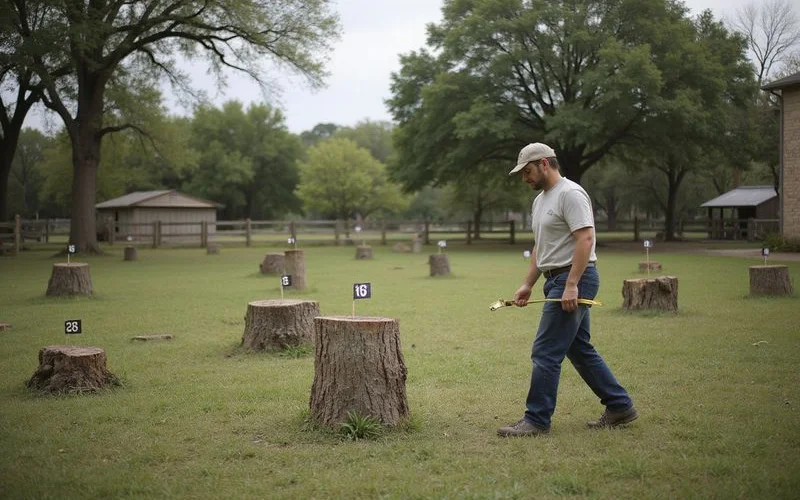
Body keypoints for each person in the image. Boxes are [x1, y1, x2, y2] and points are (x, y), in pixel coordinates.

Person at [497, 143, 638, 437]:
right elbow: (541, 246)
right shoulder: (540, 201)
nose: (525, 178)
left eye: (527, 171)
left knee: (545, 351)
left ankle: (536, 420)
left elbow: (585, 238)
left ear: (545, 163)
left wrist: (572, 284)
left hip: (574, 278)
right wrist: (528, 283)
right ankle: (620, 405)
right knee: (579, 349)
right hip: (556, 279)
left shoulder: (570, 194)